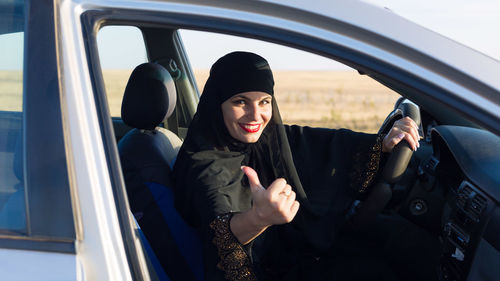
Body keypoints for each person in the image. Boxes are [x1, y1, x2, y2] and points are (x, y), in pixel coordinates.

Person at [172, 51, 420, 281]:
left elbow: (324, 145)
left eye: (264, 102)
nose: (256, 115)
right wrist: (258, 218)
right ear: (218, 103)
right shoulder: (205, 165)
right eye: (240, 102)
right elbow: (221, 229)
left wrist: (384, 145)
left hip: (285, 255)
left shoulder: (260, 141)